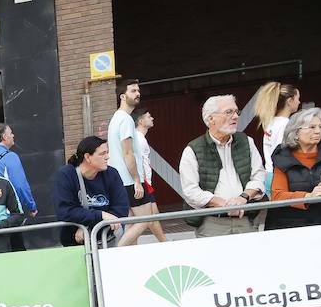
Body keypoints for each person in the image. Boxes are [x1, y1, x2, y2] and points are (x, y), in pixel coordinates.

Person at [177, 95, 267, 237]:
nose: (235, 116)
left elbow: (259, 175)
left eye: (237, 112)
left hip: (245, 220)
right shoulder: (193, 149)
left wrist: (243, 198)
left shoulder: (246, 142)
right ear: (210, 118)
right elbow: (191, 191)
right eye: (228, 112)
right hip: (212, 223)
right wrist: (224, 204)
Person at [53, 136, 129, 246]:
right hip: (74, 242)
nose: (107, 157)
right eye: (102, 154)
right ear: (88, 157)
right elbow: (65, 211)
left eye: (107, 152)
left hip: (107, 239)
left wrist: (88, 228)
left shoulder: (112, 174)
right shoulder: (66, 175)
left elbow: (121, 209)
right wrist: (101, 215)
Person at [117, 107, 167, 245]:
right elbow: (133, 159)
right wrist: (140, 181)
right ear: (140, 121)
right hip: (140, 181)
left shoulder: (140, 138)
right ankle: (165, 243)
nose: (152, 118)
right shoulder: (138, 138)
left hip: (142, 181)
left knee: (135, 220)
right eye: (149, 116)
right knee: (150, 216)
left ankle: (132, 249)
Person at [251, 81, 301, 181]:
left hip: (269, 174)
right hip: (281, 175)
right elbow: (283, 152)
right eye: (298, 99)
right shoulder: (287, 125)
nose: (299, 102)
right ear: (290, 101)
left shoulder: (270, 122)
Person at [107, 77, 143, 210]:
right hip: (129, 180)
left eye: (138, 90)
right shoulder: (126, 120)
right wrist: (137, 180)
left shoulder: (116, 117)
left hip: (119, 180)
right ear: (123, 96)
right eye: (133, 91)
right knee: (146, 220)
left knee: (128, 223)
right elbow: (128, 152)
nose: (138, 94)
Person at [0, 123, 37, 215]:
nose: (13, 135)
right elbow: (20, 185)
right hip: (7, 212)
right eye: (11, 133)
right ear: (4, 137)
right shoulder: (10, 156)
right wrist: (32, 206)